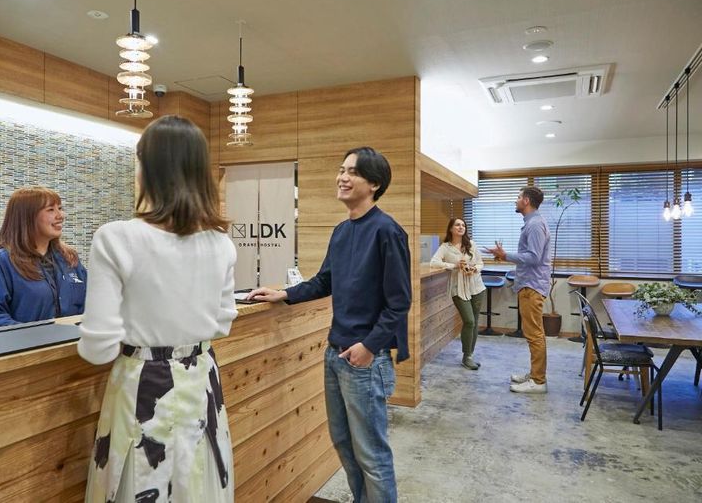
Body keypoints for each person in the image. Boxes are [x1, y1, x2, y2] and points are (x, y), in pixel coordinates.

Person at [78, 116, 237, 503]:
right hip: (201, 382)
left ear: (148, 168)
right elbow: (221, 323)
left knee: (139, 483)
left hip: (142, 387)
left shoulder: (116, 238)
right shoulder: (220, 244)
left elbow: (98, 348)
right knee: (199, 485)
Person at [248, 146, 411, 503]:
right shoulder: (341, 231)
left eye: (352, 172)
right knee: (344, 445)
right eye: (341, 170)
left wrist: (369, 346)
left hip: (367, 360)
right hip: (335, 355)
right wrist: (283, 294)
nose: (342, 177)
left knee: (372, 456)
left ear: (374, 184)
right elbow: (325, 281)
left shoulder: (388, 231)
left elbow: (399, 302)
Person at [0, 186, 87, 329]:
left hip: (75, 341)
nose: (61, 215)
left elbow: (92, 302)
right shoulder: (0, 263)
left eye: (60, 208)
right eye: (51, 210)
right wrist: (34, 334)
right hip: (25, 343)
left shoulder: (69, 258)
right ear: (28, 217)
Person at [486, 186, 551, 394]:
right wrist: (504, 256)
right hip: (529, 284)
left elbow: (534, 257)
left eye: (518, 197)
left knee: (534, 334)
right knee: (533, 333)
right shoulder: (532, 223)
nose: (516, 200)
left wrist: (505, 255)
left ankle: (538, 382)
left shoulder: (535, 225)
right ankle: (535, 374)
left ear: (526, 201)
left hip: (532, 286)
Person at [430, 218, 485, 370]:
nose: (461, 227)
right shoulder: (445, 247)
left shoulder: (471, 244)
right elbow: (434, 262)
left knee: (474, 322)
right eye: (457, 225)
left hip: (476, 287)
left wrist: (474, 268)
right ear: (451, 229)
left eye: (463, 225)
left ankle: (469, 356)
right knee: (469, 321)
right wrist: (454, 265)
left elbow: (480, 263)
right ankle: (466, 356)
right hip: (458, 289)